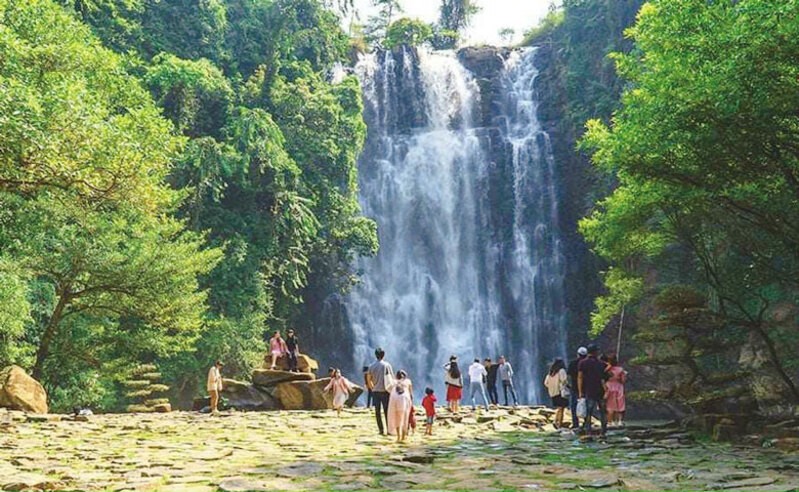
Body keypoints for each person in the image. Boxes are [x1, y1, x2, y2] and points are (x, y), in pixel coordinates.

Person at [578, 344, 608, 437]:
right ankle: (603, 431)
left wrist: (580, 391)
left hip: (589, 390)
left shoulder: (582, 363)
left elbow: (580, 377)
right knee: (602, 411)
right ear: (596, 352)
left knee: (589, 412)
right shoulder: (602, 364)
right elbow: (605, 377)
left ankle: (588, 431)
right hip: (600, 390)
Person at [367, 348, 394, 435]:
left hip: (376, 392)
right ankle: (389, 429)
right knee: (387, 411)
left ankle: (381, 430)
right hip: (385, 391)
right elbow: (391, 378)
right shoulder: (387, 365)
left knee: (377, 411)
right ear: (383, 355)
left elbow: (368, 379)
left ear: (375, 355)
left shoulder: (371, 366)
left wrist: (372, 388)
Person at [387, 370, 413, 442]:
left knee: (396, 418)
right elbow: (411, 392)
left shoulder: (393, 382)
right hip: (404, 399)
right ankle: (403, 437)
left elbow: (388, 388)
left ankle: (398, 436)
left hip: (394, 399)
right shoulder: (408, 381)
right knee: (405, 417)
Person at [544, 358, 569, 428]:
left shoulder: (551, 373)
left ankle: (555, 421)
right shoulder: (561, 371)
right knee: (561, 408)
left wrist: (552, 386)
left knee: (559, 408)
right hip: (560, 392)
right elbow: (564, 380)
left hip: (553, 393)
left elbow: (546, 383)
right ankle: (559, 424)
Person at [567, 347, 588, 429]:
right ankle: (586, 422)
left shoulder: (573, 363)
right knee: (587, 405)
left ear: (577, 354)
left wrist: (569, 385)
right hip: (587, 387)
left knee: (574, 406)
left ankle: (575, 423)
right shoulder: (587, 363)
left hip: (574, 387)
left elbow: (568, 375)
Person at [605, 355, 627, 427]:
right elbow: (623, 381)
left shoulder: (607, 369)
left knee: (610, 406)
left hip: (609, 387)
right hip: (619, 387)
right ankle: (619, 421)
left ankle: (610, 422)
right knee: (620, 405)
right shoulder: (620, 369)